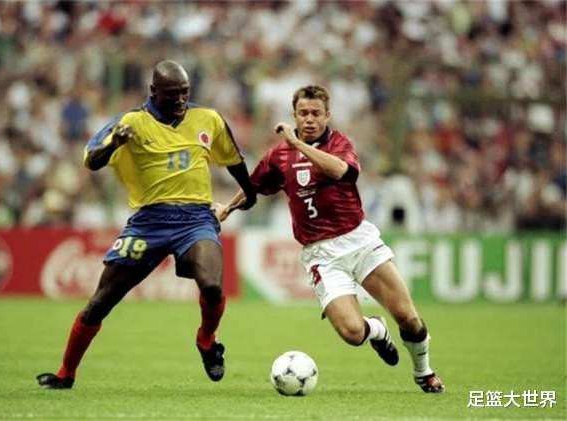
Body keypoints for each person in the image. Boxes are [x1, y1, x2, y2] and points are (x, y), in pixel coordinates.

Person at [37, 60, 257, 389]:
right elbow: (92, 160)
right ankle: (66, 373)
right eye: (172, 94)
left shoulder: (208, 119)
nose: (180, 100)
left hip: (196, 219)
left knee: (212, 286)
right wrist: (115, 143)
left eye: (185, 92)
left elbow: (234, 159)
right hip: (148, 223)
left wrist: (249, 193)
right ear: (153, 91)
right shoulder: (132, 122)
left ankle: (207, 341)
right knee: (100, 302)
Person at [214, 85, 444, 393]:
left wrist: (298, 144)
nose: (309, 119)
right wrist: (228, 208)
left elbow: (340, 171)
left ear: (327, 116)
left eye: (315, 113)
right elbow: (253, 186)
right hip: (321, 255)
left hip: (359, 242)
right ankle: (377, 330)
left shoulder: (339, 144)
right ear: (294, 115)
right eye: (303, 113)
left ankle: (423, 372)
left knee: (408, 317)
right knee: (352, 333)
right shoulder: (279, 156)